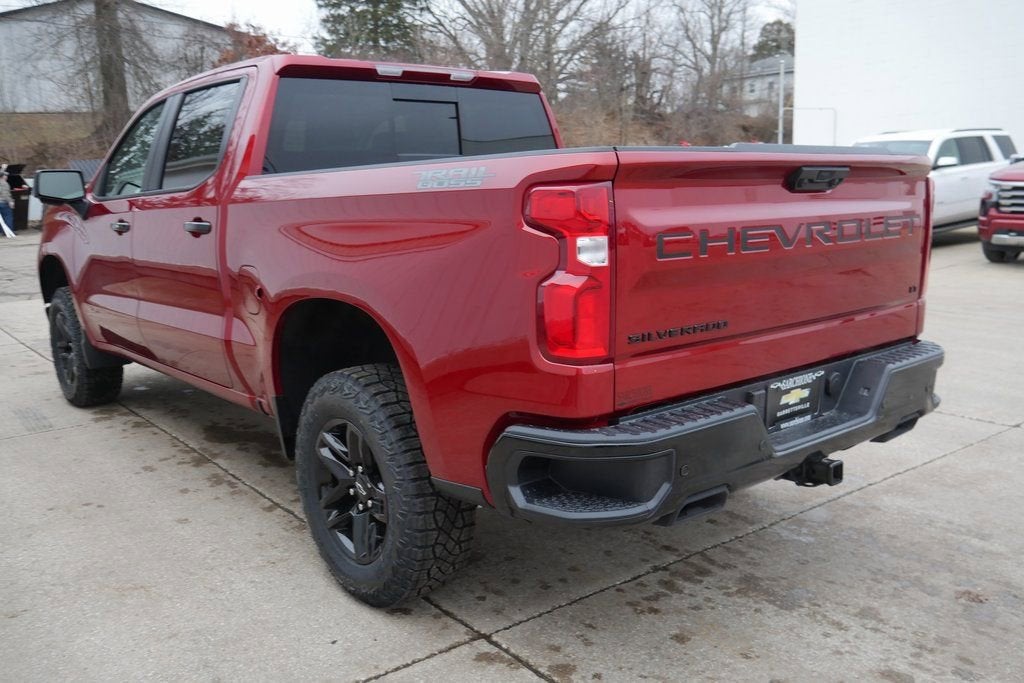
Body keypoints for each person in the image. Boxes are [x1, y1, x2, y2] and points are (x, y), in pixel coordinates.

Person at [0, 170, 15, 237]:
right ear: (3, 176)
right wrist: (10, 202)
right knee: (8, 217)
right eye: (5, 175)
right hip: (4, 203)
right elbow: (6, 194)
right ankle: (9, 232)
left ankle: (2, 231)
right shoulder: (5, 184)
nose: (7, 177)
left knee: (1, 219)